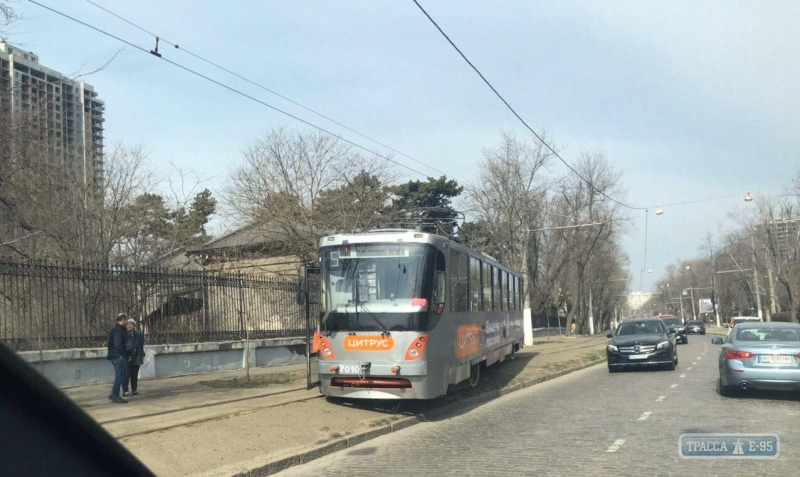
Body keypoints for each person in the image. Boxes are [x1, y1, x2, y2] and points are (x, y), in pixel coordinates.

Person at [106, 313, 131, 403]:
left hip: (117, 355)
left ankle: (113, 394)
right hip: (118, 356)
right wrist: (124, 354)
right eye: (126, 320)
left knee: (120, 376)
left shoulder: (119, 329)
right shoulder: (117, 330)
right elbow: (118, 345)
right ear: (123, 320)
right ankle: (115, 396)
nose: (127, 322)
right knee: (120, 376)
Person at [122, 319, 145, 397]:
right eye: (128, 324)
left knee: (134, 376)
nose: (129, 326)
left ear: (134, 326)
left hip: (137, 358)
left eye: (131, 324)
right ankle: (125, 391)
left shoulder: (138, 335)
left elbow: (141, 345)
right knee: (126, 376)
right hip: (127, 358)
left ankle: (134, 390)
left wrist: (141, 354)